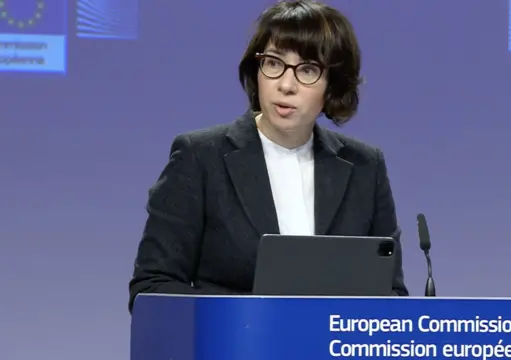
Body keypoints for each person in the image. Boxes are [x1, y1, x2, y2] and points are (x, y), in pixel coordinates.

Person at [128, 0, 408, 313]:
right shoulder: (199, 157)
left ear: (333, 85)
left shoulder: (364, 167)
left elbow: (391, 295)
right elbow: (152, 287)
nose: (285, 85)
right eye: (273, 63)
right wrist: (258, 318)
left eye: (307, 70)